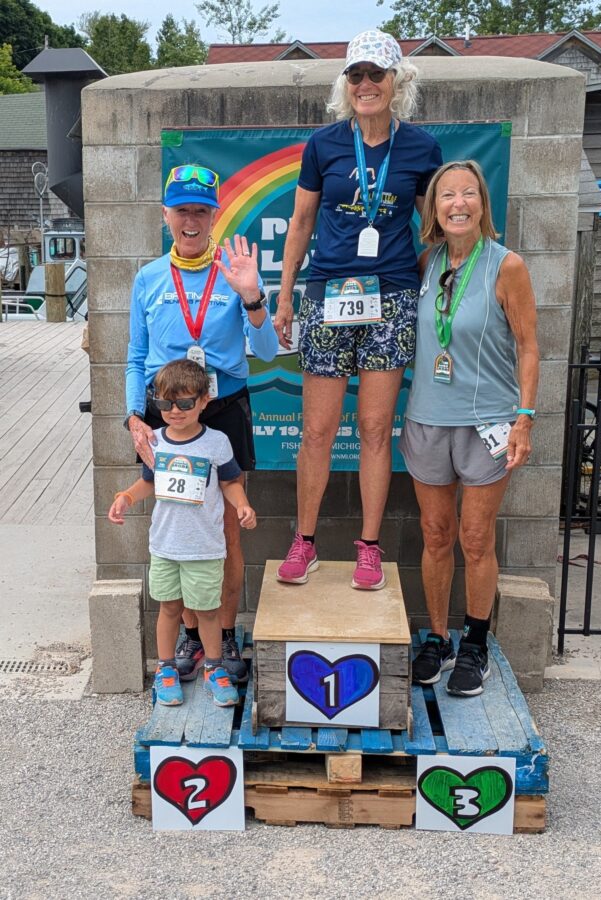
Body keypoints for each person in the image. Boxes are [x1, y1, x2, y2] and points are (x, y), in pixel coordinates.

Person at [273, 30, 442, 590]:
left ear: (397, 81)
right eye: (356, 75)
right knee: (317, 430)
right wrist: (285, 296)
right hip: (328, 296)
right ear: (345, 83)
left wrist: (419, 275)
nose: (366, 84)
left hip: (390, 299)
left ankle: (369, 548)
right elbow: (301, 223)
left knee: (374, 427)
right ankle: (304, 542)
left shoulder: (421, 148)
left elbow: (435, 227)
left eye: (376, 74)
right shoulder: (323, 145)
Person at [125, 164, 278, 684]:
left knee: (226, 527)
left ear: (215, 216)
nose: (191, 220)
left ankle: (225, 634)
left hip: (223, 408)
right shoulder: (149, 278)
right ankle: (192, 637)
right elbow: (135, 356)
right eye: (181, 210)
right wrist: (134, 415)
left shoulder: (235, 273)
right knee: (177, 519)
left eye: (201, 210)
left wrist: (252, 297)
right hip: (164, 412)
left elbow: (266, 350)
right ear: (165, 215)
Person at [400, 160, 539, 697]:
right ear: (434, 209)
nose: (458, 204)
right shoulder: (427, 262)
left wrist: (524, 418)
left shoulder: (508, 266)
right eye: (447, 196)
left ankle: (475, 642)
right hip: (427, 419)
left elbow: (529, 347)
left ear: (483, 203)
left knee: (475, 538)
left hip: (487, 424)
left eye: (468, 194)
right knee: (436, 534)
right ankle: (438, 638)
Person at [109, 360, 257, 706]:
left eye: (185, 403)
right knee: (169, 609)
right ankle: (165, 668)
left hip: (205, 547)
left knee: (208, 611)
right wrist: (126, 497)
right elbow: (149, 482)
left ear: (204, 400)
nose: (174, 411)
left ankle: (215, 668)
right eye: (165, 403)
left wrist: (242, 505)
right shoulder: (155, 441)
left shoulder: (217, 442)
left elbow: (230, 482)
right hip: (165, 546)